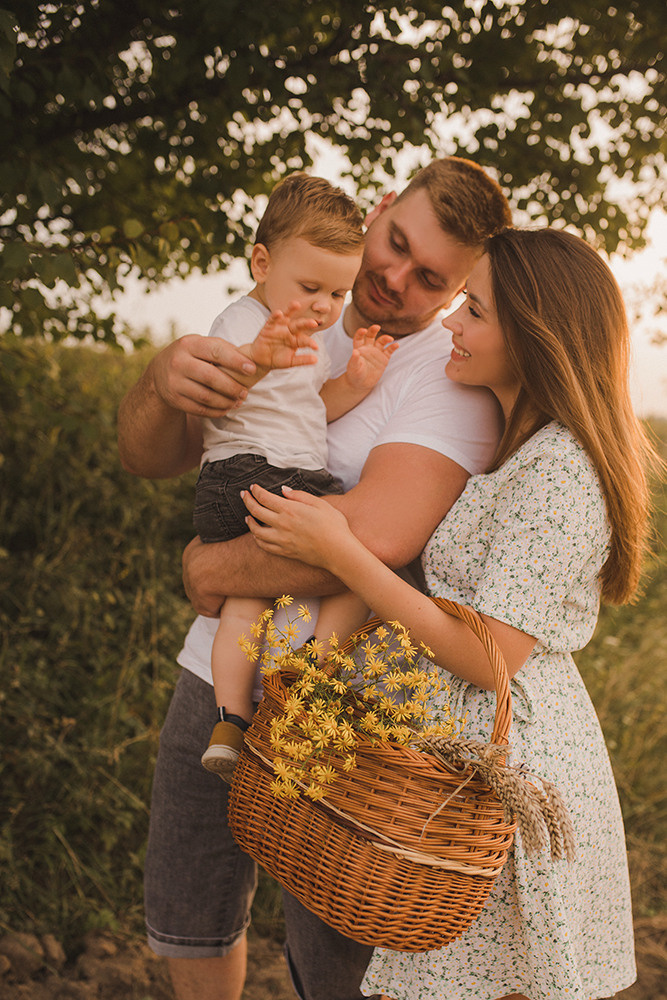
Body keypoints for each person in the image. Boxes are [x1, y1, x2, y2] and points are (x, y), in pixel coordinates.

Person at [117, 155, 512, 1000]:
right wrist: (159, 382)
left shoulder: (450, 379)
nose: (391, 275)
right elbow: (151, 455)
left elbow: (373, 528)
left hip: (340, 707)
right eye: (393, 241)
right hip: (214, 670)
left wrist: (210, 567)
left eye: (429, 276)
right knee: (191, 906)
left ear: (458, 289)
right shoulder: (287, 297)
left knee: (330, 947)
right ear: (377, 208)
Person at [240, 227, 656, 1000]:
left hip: (505, 765)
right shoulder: (518, 449)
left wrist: (341, 553)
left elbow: (486, 656)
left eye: (475, 309)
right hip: (451, 751)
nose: (452, 324)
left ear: (535, 334)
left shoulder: (561, 469)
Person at [191, 172, 398, 780]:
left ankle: (230, 722)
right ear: (261, 262)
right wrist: (259, 357)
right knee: (366, 564)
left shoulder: (315, 337)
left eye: (338, 293)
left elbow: (314, 407)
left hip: (258, 478)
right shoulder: (242, 321)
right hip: (252, 473)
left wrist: (355, 380)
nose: (323, 306)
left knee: (245, 603)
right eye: (310, 286)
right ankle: (308, 676)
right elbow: (223, 391)